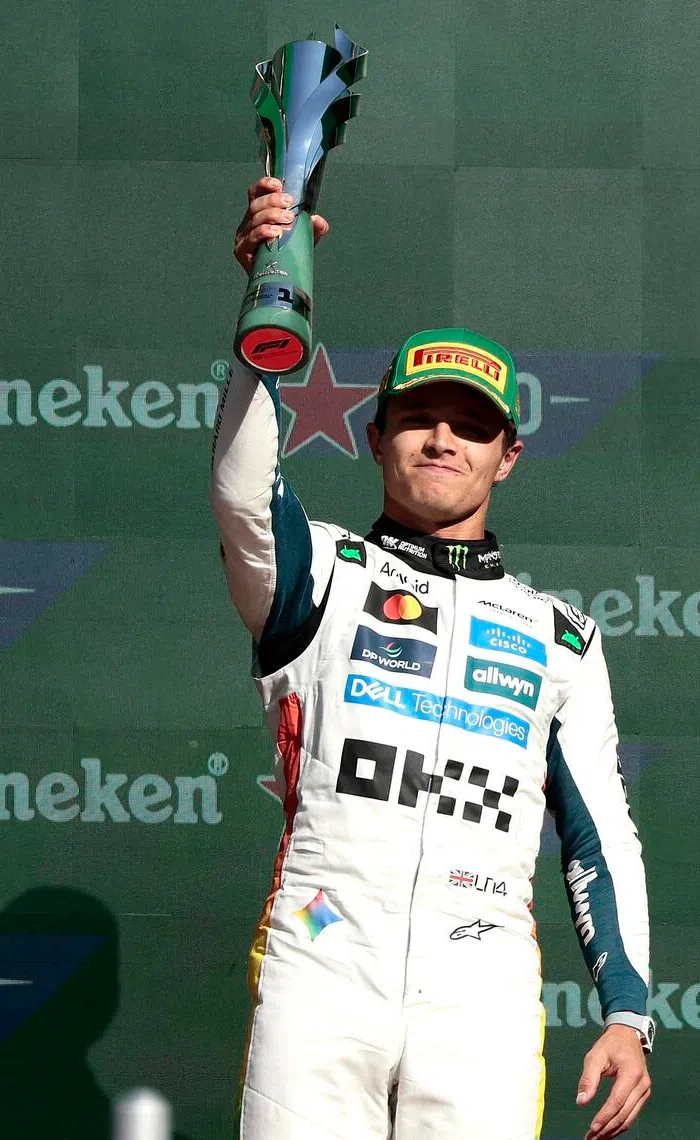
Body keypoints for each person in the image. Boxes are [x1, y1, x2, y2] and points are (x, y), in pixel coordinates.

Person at [211, 177, 654, 1140]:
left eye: (473, 423)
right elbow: (246, 493)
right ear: (376, 440)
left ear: (509, 454)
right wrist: (263, 316)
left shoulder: (560, 636)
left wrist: (627, 1010)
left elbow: (597, 836)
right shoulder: (319, 570)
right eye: (418, 416)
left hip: (481, 988)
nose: (444, 436)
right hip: (323, 955)